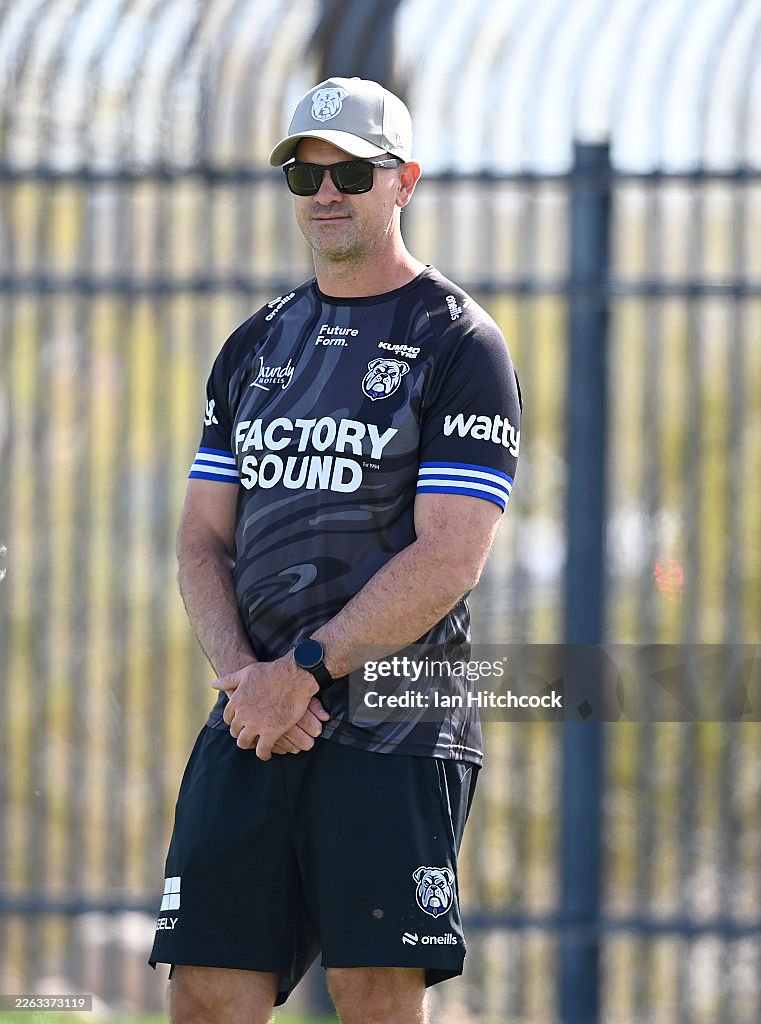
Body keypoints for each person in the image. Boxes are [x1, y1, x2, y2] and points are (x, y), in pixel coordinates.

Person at [149, 76, 522, 1024]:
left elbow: (450, 556)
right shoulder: (253, 345)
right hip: (255, 714)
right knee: (205, 994)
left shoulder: (458, 342)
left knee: (371, 998)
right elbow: (200, 537)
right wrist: (245, 679)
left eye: (351, 171)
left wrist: (306, 672)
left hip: (398, 720)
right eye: (304, 172)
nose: (325, 192)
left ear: (404, 183)